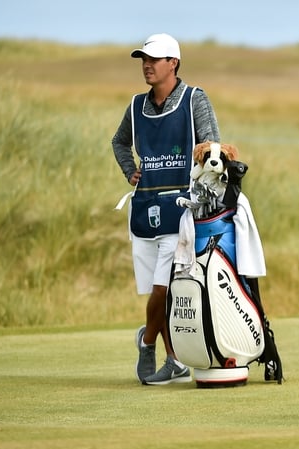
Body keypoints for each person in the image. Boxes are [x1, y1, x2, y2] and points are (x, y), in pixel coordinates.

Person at [112, 33, 221, 385]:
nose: (147, 65)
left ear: (172, 63)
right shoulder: (135, 106)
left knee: (165, 288)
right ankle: (173, 359)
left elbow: (210, 147)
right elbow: (119, 142)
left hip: (180, 209)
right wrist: (131, 171)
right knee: (159, 291)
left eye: (154, 59)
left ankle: (146, 342)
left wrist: (207, 193)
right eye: (143, 59)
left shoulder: (194, 99)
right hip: (144, 208)